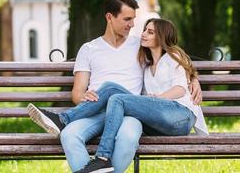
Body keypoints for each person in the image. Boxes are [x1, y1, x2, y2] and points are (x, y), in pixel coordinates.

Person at [27, 0, 203, 173]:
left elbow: (170, 57)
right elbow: (77, 94)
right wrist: (83, 96)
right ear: (109, 17)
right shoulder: (88, 49)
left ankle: (64, 121)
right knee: (69, 135)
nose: (133, 25)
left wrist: (192, 78)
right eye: (127, 19)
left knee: (127, 134)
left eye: (134, 19)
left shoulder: (140, 46)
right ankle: (69, 128)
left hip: (130, 113)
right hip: (96, 111)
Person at [78, 18, 209, 172]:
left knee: (117, 99)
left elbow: (180, 88)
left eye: (150, 32)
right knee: (110, 88)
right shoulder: (146, 67)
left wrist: (158, 97)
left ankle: (102, 157)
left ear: (162, 36)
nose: (144, 34)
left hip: (180, 117)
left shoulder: (173, 55)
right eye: (145, 30)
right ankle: (64, 119)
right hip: (160, 123)